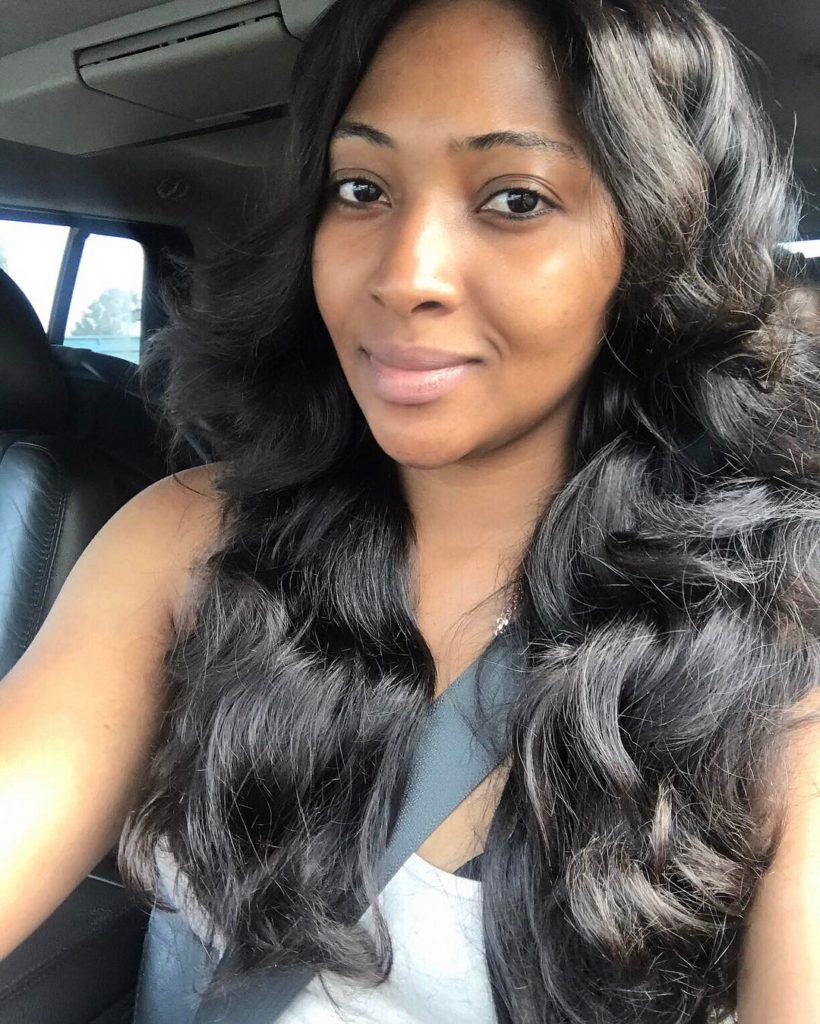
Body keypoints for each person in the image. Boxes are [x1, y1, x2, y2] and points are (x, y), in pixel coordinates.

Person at [2, 0, 819, 1020]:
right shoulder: (188, 540)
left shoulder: (779, 649)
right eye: (362, 188)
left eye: (515, 198)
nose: (404, 275)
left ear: (654, 246)